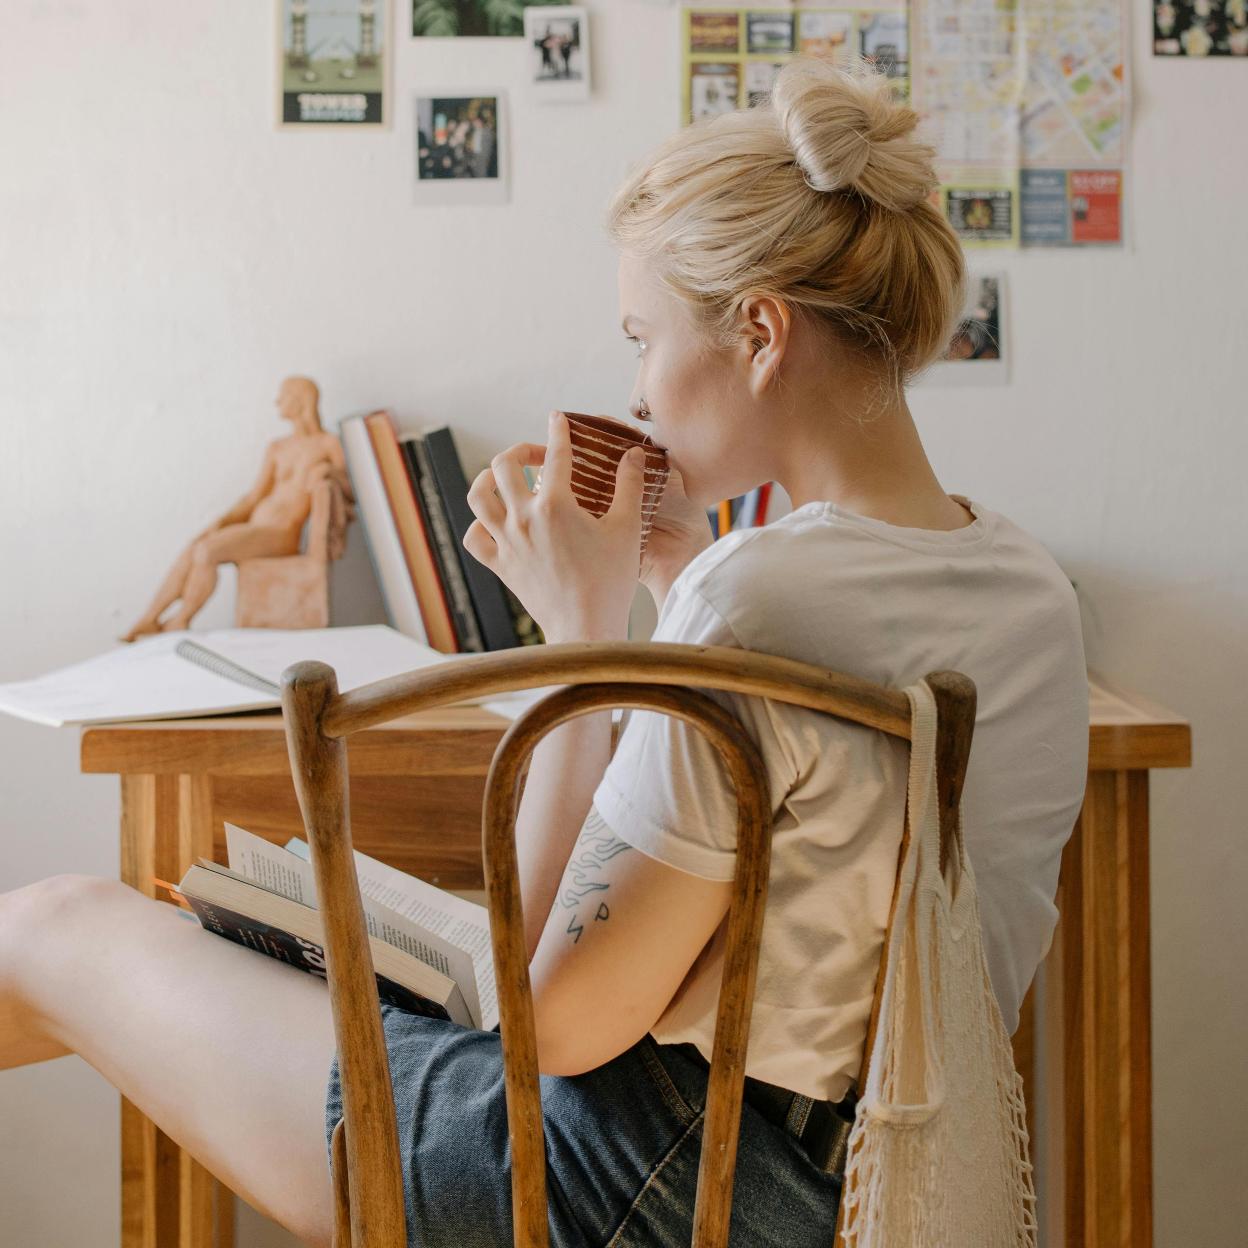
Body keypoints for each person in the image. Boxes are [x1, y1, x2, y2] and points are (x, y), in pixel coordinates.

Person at [0, 58, 1088, 1246]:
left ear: (761, 332)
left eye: (642, 337)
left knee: (50, 931)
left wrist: (582, 636)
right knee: (129, 960)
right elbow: (813, 895)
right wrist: (673, 586)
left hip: (630, 1179)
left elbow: (552, 1028)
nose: (639, 391)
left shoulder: (753, 598)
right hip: (862, 1193)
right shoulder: (1027, 590)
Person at [118, 375, 351, 641]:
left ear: (301, 400)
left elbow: (350, 488)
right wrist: (223, 521)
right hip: (256, 525)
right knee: (197, 544)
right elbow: (253, 497)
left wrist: (328, 472)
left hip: (281, 533)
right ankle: (150, 618)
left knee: (207, 551)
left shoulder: (327, 444)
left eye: (284, 395)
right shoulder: (277, 447)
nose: (278, 401)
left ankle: (181, 620)